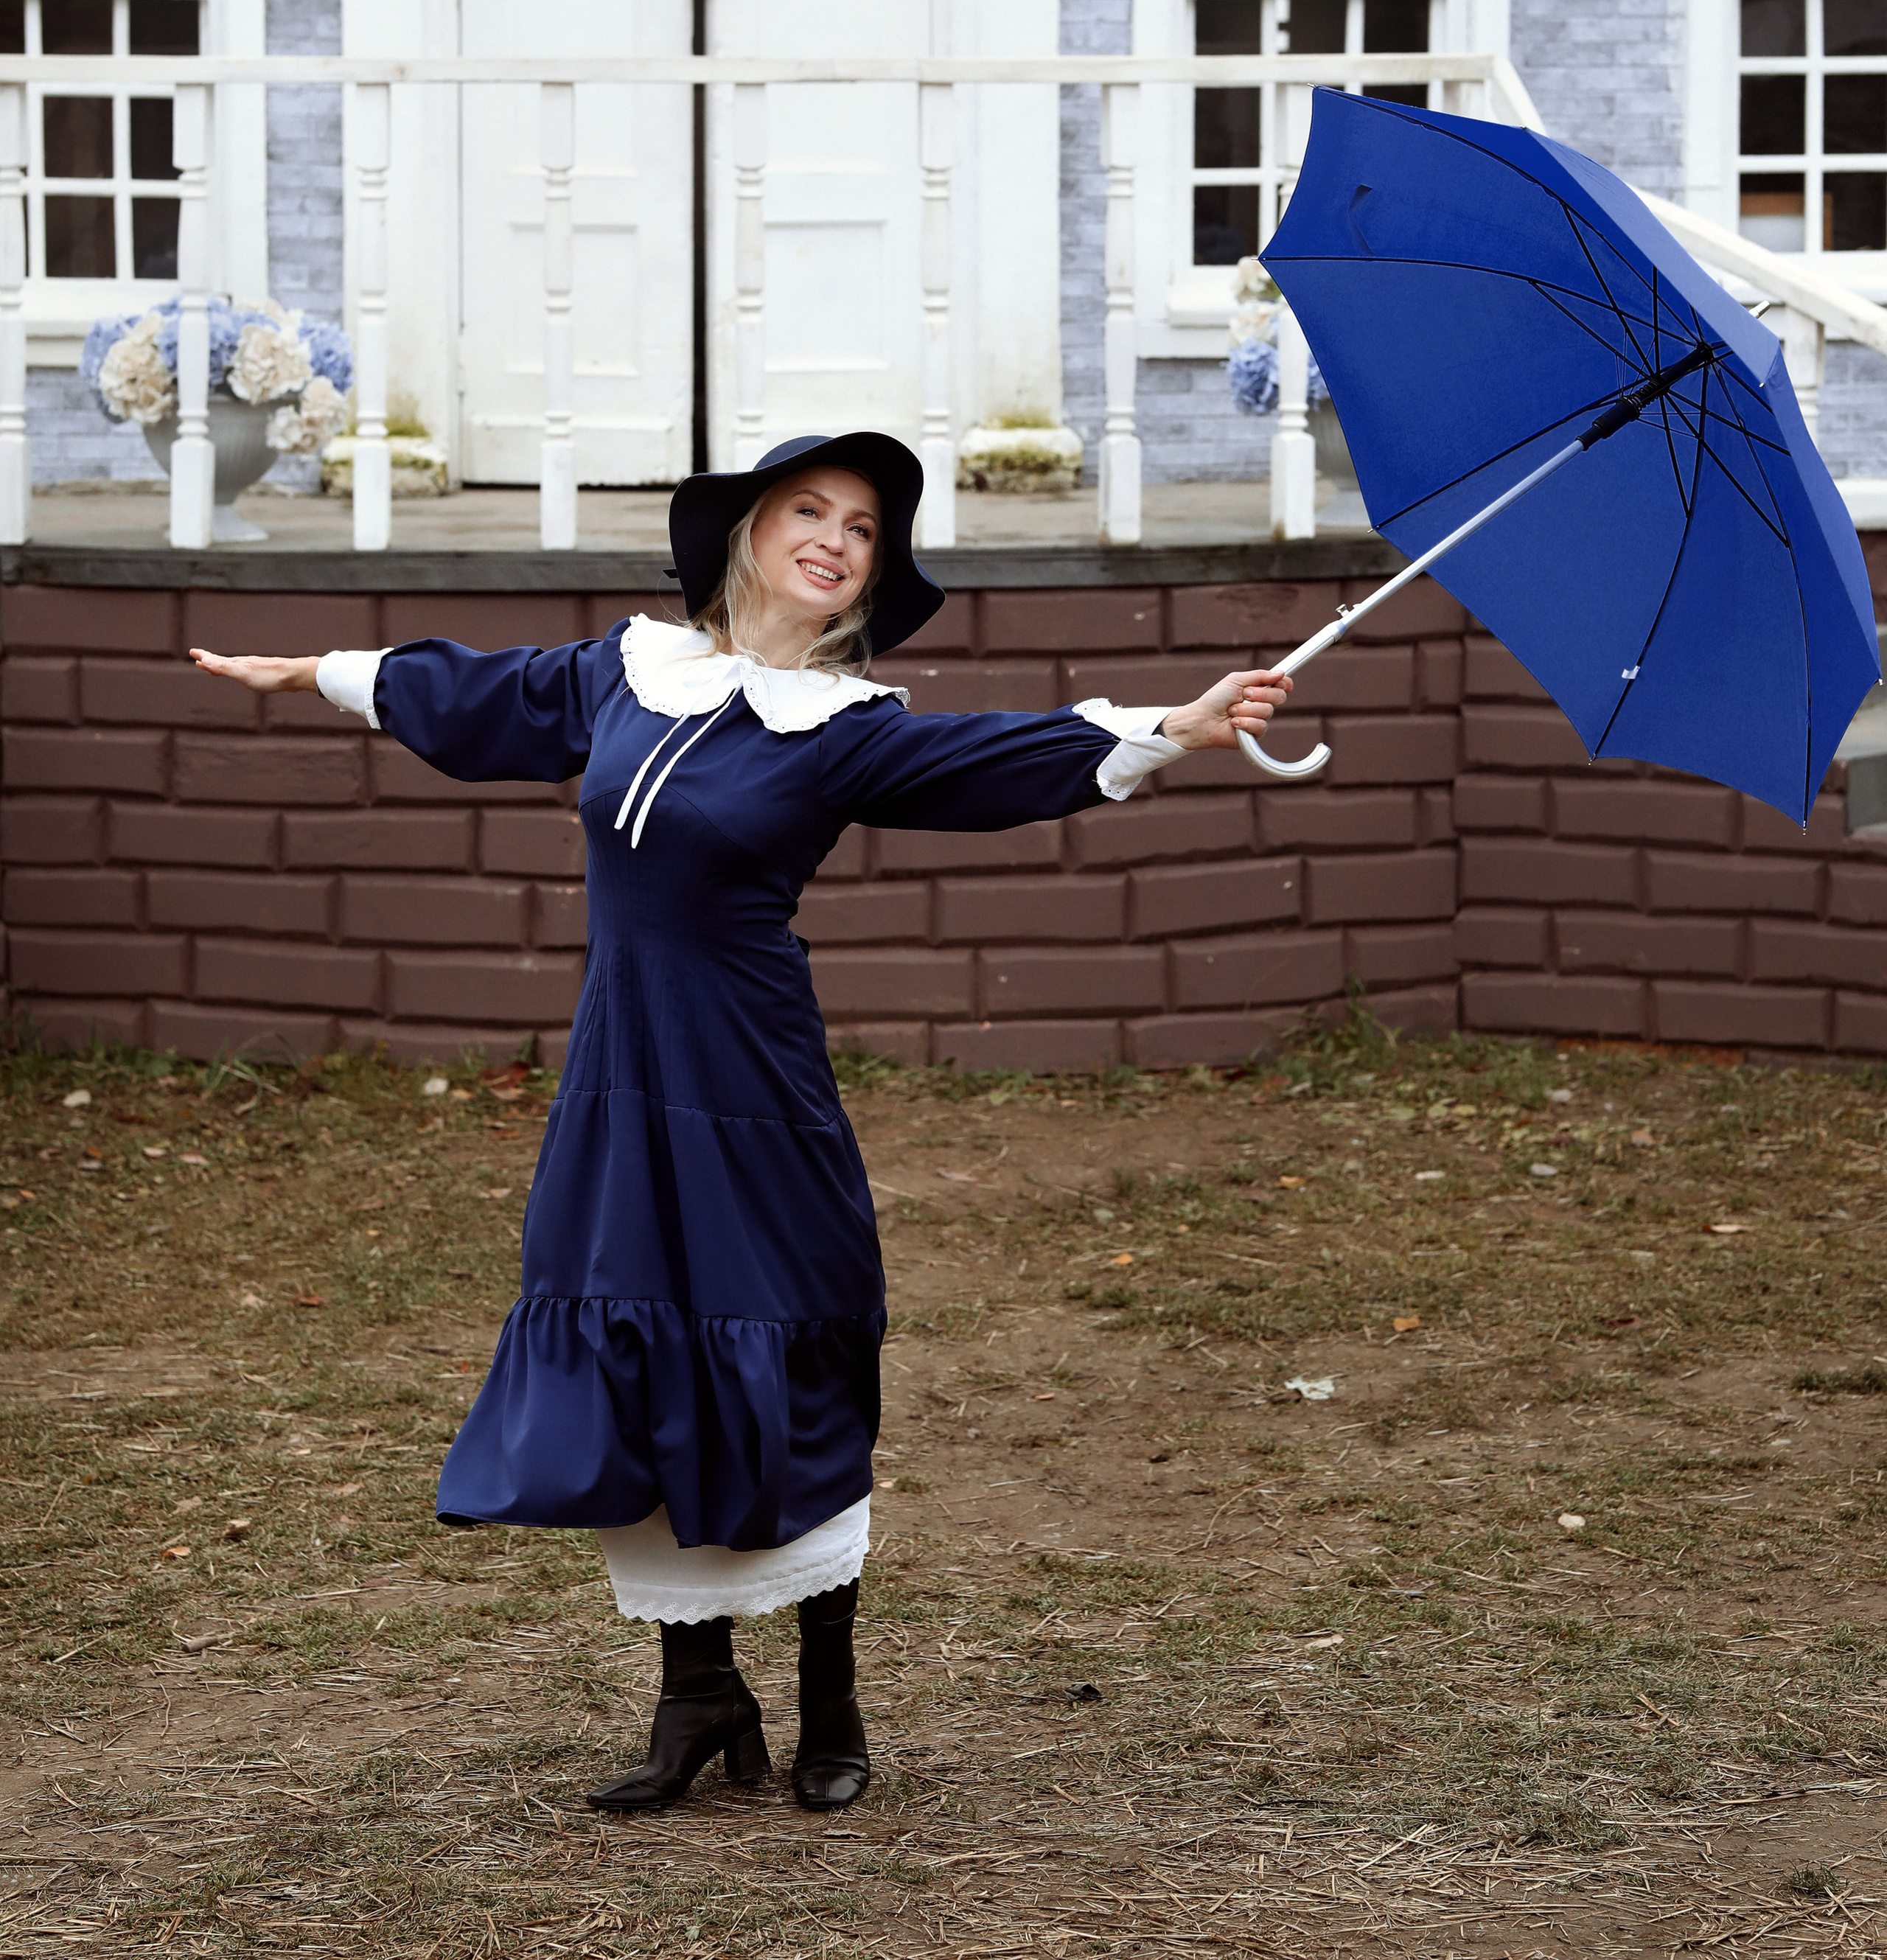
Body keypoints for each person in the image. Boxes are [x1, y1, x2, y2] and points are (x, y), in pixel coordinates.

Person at [191, 430, 1292, 1816]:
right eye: (808, 511)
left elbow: (998, 763)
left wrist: (1172, 727)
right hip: (620, 1078)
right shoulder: (626, 672)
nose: (835, 538)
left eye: (866, 531)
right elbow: (479, 695)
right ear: (750, 533)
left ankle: (831, 1689)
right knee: (634, 1343)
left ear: (872, 579)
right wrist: (313, 673)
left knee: (790, 1346)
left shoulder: (850, 731)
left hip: (754, 1084)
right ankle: (695, 1691)